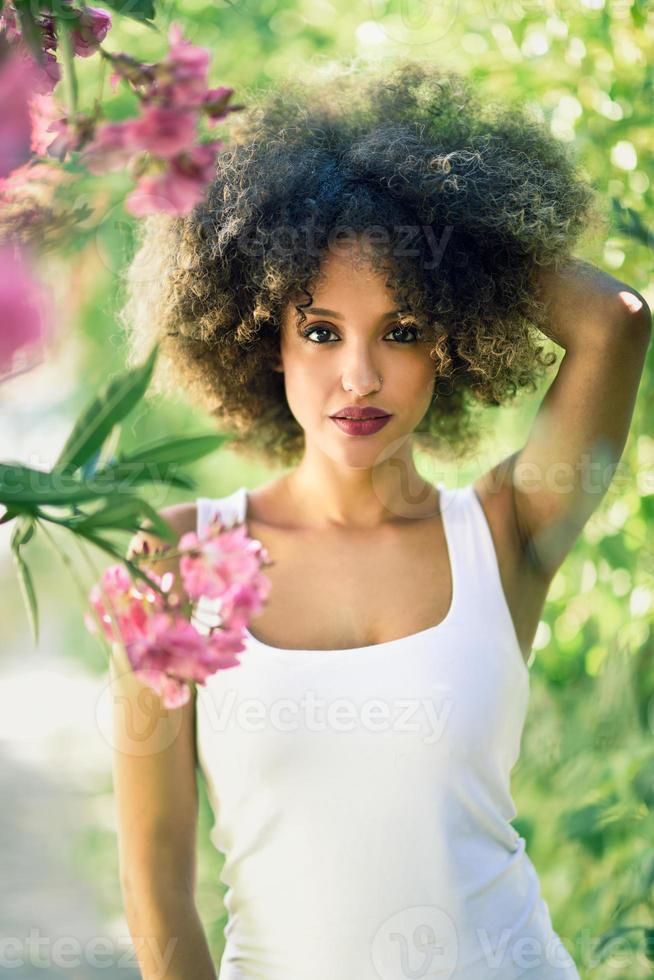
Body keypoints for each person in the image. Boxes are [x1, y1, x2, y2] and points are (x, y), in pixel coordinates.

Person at [111, 59, 651, 979]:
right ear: (261, 334)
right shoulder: (178, 557)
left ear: (450, 334)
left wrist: (447, 241)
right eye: (320, 331)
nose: (358, 377)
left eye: (401, 330)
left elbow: (616, 321)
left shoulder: (507, 532)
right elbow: (157, 881)